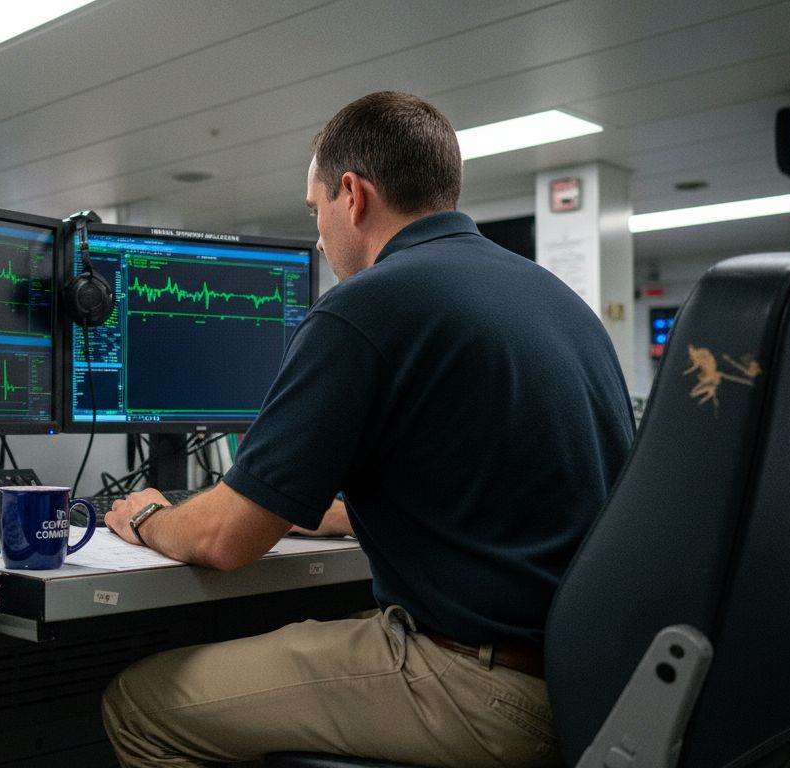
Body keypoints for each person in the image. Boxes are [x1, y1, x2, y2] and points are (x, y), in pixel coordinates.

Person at [100, 91, 635, 767]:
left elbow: (222, 539)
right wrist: (342, 516)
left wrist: (150, 515)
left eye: (316, 210)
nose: (320, 237)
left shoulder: (365, 306)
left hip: (479, 692)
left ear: (351, 195)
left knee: (140, 704)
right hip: (588, 686)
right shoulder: (557, 300)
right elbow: (518, 496)